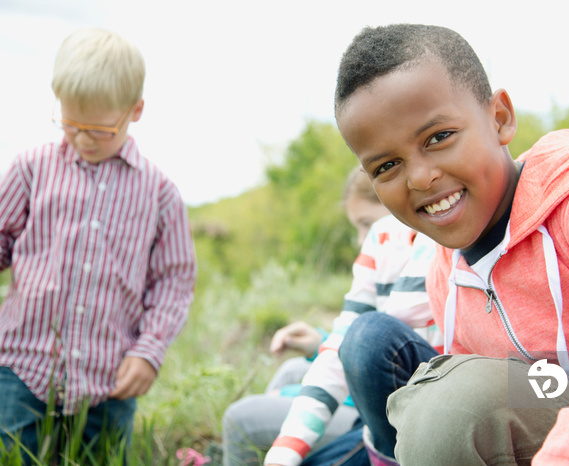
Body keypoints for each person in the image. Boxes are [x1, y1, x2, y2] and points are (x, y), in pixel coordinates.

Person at [332, 24, 569, 465]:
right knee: (447, 400)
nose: (419, 177)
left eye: (439, 137)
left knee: (450, 408)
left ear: (500, 118)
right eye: (387, 166)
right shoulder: (448, 269)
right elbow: (484, 391)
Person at [0, 28, 197, 461]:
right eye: (70, 124)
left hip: (109, 379)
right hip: (21, 369)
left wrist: (149, 352)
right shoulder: (31, 169)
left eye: (99, 129)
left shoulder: (159, 192)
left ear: (135, 111)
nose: (84, 138)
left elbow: (173, 282)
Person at [263, 181, 442, 465]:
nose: (360, 238)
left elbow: (371, 337)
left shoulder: (443, 230)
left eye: (366, 222)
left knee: (368, 335)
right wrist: (284, 450)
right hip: (382, 417)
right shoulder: (380, 240)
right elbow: (346, 342)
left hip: (452, 398)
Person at [222, 166, 388, 465]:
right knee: (291, 370)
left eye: (367, 224)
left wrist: (292, 396)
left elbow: (385, 376)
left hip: (374, 415)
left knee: (239, 419)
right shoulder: (384, 268)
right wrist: (319, 345)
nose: (361, 240)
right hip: (362, 390)